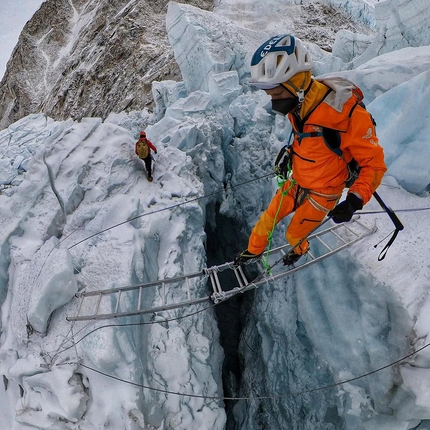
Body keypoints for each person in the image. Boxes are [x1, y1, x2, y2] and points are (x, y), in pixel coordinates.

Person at [235, 34, 387, 266]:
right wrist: (291, 157)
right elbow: (309, 143)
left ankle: (300, 249)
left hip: (324, 193)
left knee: (293, 234)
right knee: (266, 221)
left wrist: (354, 200)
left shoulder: (346, 113)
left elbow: (374, 165)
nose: (273, 101)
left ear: (297, 81)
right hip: (298, 181)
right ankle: (253, 252)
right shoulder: (300, 103)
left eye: (276, 94)